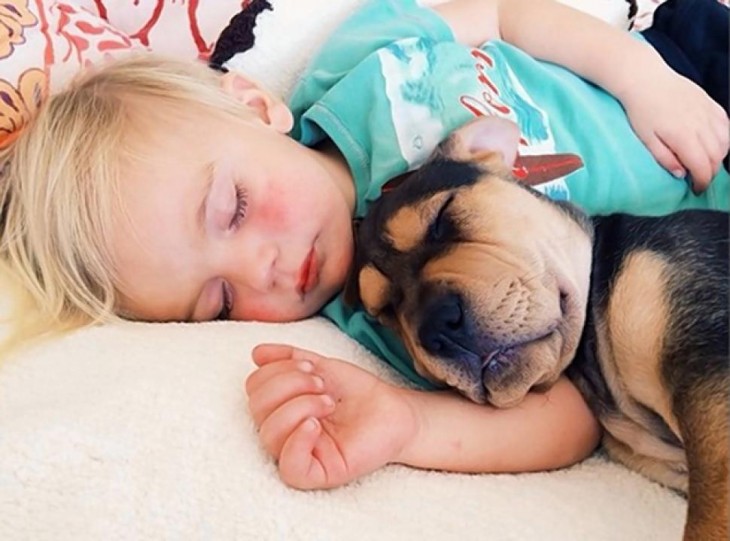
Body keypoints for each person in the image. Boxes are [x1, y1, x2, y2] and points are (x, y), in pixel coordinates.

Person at [0, 0, 727, 490]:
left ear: (253, 105)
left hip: (687, 79)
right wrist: (406, 422)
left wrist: (644, 79)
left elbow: (507, 11)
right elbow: (568, 411)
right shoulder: (371, 319)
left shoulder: (370, 67)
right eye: (219, 300)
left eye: (235, 207)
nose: (266, 268)